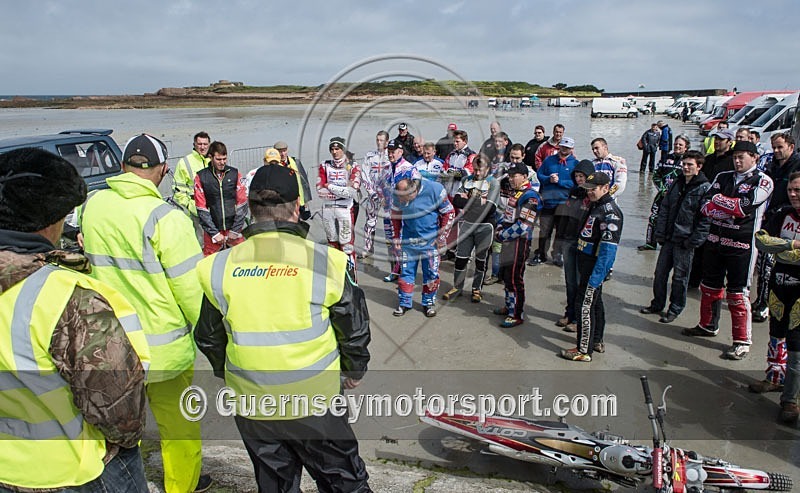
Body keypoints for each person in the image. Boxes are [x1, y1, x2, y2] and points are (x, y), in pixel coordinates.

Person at [194, 164, 373, 492]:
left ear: (250, 211)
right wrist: (354, 369)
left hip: (252, 403)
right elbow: (353, 324)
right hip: (315, 402)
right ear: (295, 209)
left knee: (275, 482)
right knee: (344, 481)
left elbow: (207, 335)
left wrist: (231, 372)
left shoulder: (217, 266)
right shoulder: (326, 261)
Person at [0, 148, 150, 493]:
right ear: (51, 223)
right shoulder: (68, 296)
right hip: (69, 472)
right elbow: (118, 408)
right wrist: (125, 440)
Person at [79, 134, 211, 493]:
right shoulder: (167, 219)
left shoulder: (92, 206)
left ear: (122, 167)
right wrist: (210, 339)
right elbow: (191, 291)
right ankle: (182, 485)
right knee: (179, 427)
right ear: (163, 171)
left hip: (108, 345)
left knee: (115, 430)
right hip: (164, 349)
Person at [684, 141, 774, 361]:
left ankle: (742, 341)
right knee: (709, 287)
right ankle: (707, 325)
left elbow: (743, 208)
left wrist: (721, 203)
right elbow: (705, 206)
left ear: (754, 157)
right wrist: (725, 207)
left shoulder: (763, 180)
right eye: (735, 157)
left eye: (742, 157)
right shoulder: (722, 176)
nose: (737, 161)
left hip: (742, 244)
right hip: (715, 241)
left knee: (737, 294)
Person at [750, 172, 800, 422]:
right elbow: (761, 241)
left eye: (798, 190)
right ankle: (773, 379)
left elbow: (772, 245)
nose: (793, 194)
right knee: (775, 336)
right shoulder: (782, 214)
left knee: (796, 348)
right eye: (791, 189)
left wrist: (778, 248)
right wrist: (791, 247)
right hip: (779, 289)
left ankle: (791, 400)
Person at [640, 150, 711, 323]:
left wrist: (694, 241)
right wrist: (660, 232)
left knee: (680, 277)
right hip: (669, 238)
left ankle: (675, 308)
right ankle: (657, 304)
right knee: (660, 273)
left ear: (699, 167)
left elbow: (705, 219)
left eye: (690, 165)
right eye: (684, 164)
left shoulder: (704, 188)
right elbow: (664, 208)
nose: (685, 167)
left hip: (685, 241)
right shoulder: (675, 183)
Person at [561, 172, 623, 362]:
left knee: (584, 306)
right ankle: (596, 340)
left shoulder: (610, 213)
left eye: (593, 189)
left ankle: (583, 350)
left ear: (605, 188)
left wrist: (596, 278)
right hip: (585, 262)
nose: (589, 193)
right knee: (595, 304)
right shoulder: (596, 205)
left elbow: (608, 251)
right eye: (587, 189)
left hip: (594, 268)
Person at [752, 133, 800, 325]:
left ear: (791, 146)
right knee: (765, 266)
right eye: (774, 147)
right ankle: (762, 301)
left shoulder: (796, 166)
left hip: (790, 219)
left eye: (780, 147)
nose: (776, 151)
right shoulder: (772, 166)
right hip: (775, 220)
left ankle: (766, 305)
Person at [390, 176, 455, 317]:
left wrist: (442, 238)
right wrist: (396, 236)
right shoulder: (398, 194)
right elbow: (395, 214)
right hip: (408, 241)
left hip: (430, 243)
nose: (400, 201)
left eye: (403, 198)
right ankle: (404, 302)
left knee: (431, 274)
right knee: (406, 273)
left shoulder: (435, 189)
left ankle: (428, 303)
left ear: (412, 192)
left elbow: (449, 213)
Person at [442, 155, 500, 303]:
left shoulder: (493, 183)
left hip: (485, 226)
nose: (477, 173)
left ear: (487, 169)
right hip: (467, 224)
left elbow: (490, 208)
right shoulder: (466, 180)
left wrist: (468, 200)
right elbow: (456, 200)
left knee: (481, 260)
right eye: (475, 169)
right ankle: (457, 287)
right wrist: (478, 201)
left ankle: (477, 288)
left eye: (480, 170)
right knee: (461, 258)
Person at [493, 161, 542, 328]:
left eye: (514, 176)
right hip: (508, 241)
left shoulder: (531, 196)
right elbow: (506, 216)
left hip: (519, 243)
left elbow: (523, 226)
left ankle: (517, 313)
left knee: (515, 278)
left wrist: (502, 235)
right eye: (510, 176)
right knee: (506, 275)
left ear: (525, 177)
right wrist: (499, 228)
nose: (511, 179)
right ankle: (509, 306)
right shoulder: (516, 193)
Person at [554, 159, 595, 333]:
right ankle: (569, 313)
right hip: (568, 240)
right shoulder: (574, 192)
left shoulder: (592, 197)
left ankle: (579, 319)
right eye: (577, 176)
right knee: (570, 281)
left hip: (584, 244)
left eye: (582, 176)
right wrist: (558, 240)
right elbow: (564, 217)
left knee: (580, 283)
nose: (579, 179)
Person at [195, 141, 248, 256]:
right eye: (218, 159)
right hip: (213, 232)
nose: (222, 162)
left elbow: (242, 204)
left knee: (242, 261)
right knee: (211, 265)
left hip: (234, 229)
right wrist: (214, 233)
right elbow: (201, 207)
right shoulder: (201, 177)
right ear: (210, 157)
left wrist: (235, 230)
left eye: (224, 159)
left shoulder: (235, 174)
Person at [638, 135, 690, 251]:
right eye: (676, 144)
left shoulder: (689, 161)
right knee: (653, 218)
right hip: (662, 196)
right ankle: (650, 244)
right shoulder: (666, 158)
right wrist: (662, 189)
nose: (677, 146)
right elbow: (656, 175)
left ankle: (672, 245)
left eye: (680, 145)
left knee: (676, 221)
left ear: (686, 147)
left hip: (679, 198)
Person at [532, 137, 577, 266]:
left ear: (571, 149)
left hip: (564, 203)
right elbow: (539, 175)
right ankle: (541, 254)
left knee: (561, 232)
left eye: (567, 148)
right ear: (559, 147)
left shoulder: (575, 164)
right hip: (548, 201)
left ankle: (557, 254)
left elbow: (576, 183)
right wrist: (548, 179)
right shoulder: (549, 160)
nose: (564, 150)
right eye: (562, 147)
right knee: (545, 230)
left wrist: (560, 182)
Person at [317, 136, 361, 268]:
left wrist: (329, 186)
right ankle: (334, 275)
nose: (335, 152)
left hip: (345, 209)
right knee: (332, 243)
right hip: (328, 209)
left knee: (346, 244)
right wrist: (341, 190)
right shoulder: (324, 165)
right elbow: (319, 191)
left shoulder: (353, 166)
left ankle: (351, 279)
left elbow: (352, 192)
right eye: (332, 149)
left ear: (343, 149)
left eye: (337, 149)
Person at [382, 139, 422, 282]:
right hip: (389, 211)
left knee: (403, 243)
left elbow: (417, 188)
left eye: (393, 152)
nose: (390, 154)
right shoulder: (387, 167)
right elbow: (382, 186)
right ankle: (395, 270)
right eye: (389, 152)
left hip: (403, 213)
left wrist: (409, 205)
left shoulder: (409, 168)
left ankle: (405, 275)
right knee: (392, 242)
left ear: (401, 152)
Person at [359, 130, 391, 259]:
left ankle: (393, 250)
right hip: (373, 194)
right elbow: (364, 174)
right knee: (370, 222)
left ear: (387, 141)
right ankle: (367, 248)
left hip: (388, 196)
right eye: (377, 140)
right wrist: (371, 192)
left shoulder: (392, 155)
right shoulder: (369, 155)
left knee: (391, 222)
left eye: (382, 140)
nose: (379, 142)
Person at [172, 131, 210, 217]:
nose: (202, 147)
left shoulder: (213, 161)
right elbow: (178, 191)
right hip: (194, 210)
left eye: (205, 144)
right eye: (199, 144)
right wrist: (190, 206)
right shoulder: (184, 163)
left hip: (212, 210)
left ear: (209, 145)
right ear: (194, 145)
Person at [274, 140, 313, 220]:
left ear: (287, 150)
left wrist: (305, 200)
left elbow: (303, 181)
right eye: (280, 152)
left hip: (298, 201)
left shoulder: (295, 162)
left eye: (284, 151)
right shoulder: (273, 166)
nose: (282, 154)